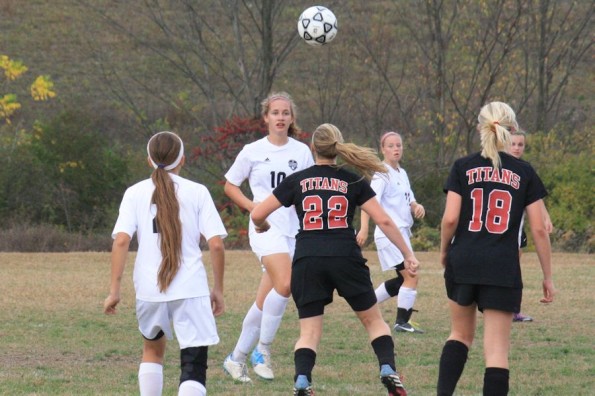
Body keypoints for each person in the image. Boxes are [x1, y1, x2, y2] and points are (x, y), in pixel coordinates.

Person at [251, 123, 419, 396]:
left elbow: (257, 214)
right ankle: (388, 368)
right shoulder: (352, 179)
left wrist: (262, 227)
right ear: (338, 147)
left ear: (313, 148)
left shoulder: (298, 179)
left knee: (309, 332)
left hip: (308, 258)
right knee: (374, 321)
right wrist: (408, 254)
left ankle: (303, 379)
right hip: (345, 255)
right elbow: (384, 220)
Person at [437, 102, 556, 396]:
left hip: (463, 260)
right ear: (511, 129)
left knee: (460, 336)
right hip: (502, 265)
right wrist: (547, 276)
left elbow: (450, 218)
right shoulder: (524, 171)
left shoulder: (462, 166)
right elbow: (539, 228)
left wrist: (443, 251)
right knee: (497, 352)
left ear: (481, 128)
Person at [104, 131, 227, 396]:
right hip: (191, 289)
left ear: (148, 160)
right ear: (182, 158)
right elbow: (216, 244)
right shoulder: (198, 192)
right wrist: (217, 288)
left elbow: (122, 240)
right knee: (194, 364)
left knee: (152, 351)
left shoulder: (134, 193)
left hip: (149, 289)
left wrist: (114, 290)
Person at [222, 91, 315, 382]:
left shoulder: (301, 152)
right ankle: (262, 349)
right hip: (264, 228)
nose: (280, 117)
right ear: (265, 117)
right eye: (275, 112)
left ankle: (235, 358)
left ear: (292, 118)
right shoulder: (252, 150)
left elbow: (309, 190)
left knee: (266, 299)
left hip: (293, 230)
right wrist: (253, 208)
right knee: (286, 284)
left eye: (285, 113)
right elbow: (230, 185)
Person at [357, 131, 426, 333]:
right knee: (411, 276)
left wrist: (415, 206)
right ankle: (401, 323)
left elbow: (409, 197)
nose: (396, 149)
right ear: (383, 149)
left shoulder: (401, 173)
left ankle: (366, 304)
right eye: (391, 146)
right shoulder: (381, 174)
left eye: (399, 145)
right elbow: (367, 203)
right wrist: (363, 229)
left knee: (403, 279)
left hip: (402, 234)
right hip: (389, 236)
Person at [510, 129, 554, 322]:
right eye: (513, 144)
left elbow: (534, 197)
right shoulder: (500, 166)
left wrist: (545, 216)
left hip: (517, 227)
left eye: (520, 144)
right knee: (509, 267)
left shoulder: (525, 169)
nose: (517, 148)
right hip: (504, 228)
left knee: (514, 264)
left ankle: (513, 308)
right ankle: (508, 308)